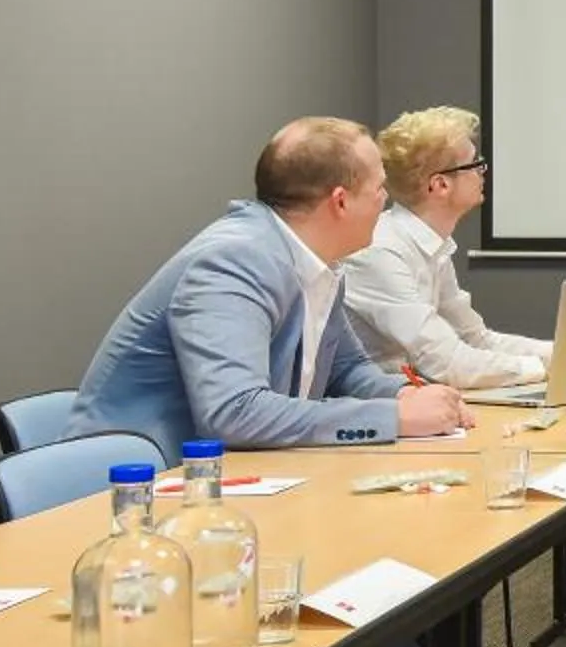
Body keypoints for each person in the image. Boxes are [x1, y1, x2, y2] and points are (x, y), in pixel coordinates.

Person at [66, 117, 469, 456]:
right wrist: (394, 419)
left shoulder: (316, 261)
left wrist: (408, 396)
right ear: (340, 202)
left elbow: (348, 371)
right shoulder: (234, 261)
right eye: (380, 189)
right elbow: (233, 412)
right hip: (130, 492)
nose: (386, 201)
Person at [342, 105, 551, 391]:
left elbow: (476, 339)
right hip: (380, 407)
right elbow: (448, 363)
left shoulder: (433, 246)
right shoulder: (380, 251)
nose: (482, 170)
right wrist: (547, 367)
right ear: (440, 185)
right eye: (474, 163)